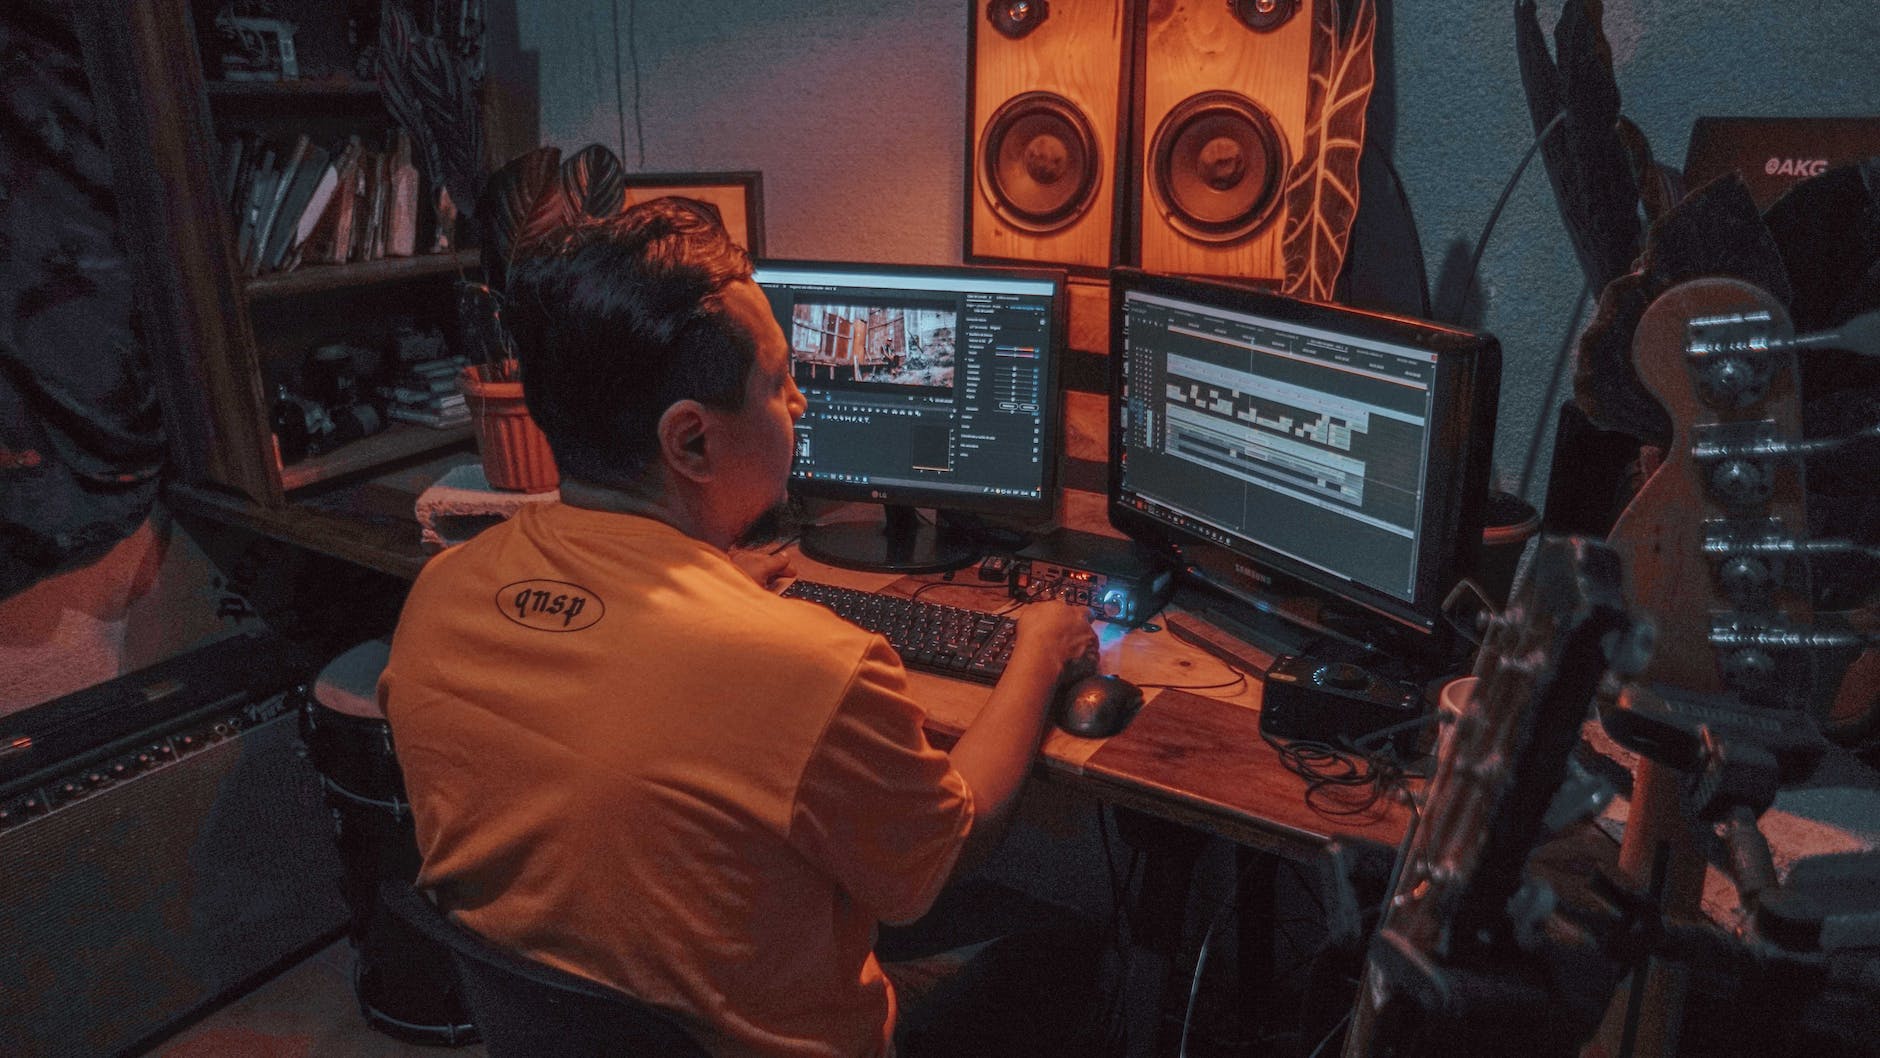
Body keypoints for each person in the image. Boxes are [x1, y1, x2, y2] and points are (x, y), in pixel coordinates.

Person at [379, 198, 1101, 1057]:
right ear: (690, 442)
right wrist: (1039, 651)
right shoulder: (811, 666)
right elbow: (948, 852)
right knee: (1069, 938)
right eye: (775, 381)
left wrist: (706, 577)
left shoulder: (443, 592)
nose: (798, 399)